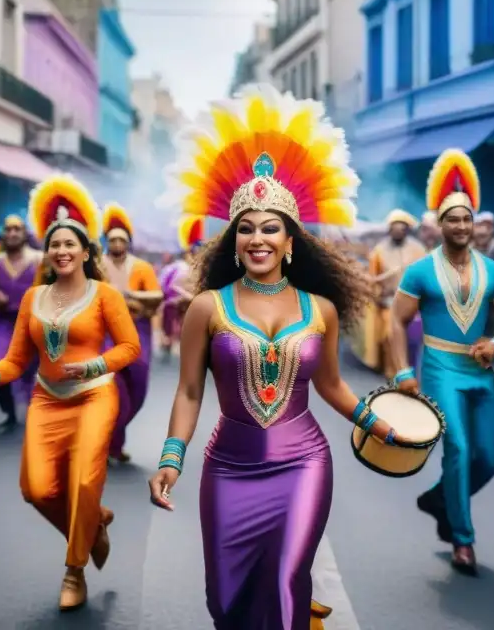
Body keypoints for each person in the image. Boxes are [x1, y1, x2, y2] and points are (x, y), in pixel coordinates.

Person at [148, 84, 398, 629]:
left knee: (287, 583)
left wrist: (375, 422)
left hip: (302, 463)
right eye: (246, 228)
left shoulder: (322, 310)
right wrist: (171, 458)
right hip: (228, 466)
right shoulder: (206, 308)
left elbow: (330, 384)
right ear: (232, 240)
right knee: (226, 599)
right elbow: (190, 390)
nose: (257, 237)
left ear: (290, 241)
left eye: (270, 228)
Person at [0, 174, 141, 611]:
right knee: (37, 490)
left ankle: (74, 569)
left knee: (83, 481)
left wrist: (97, 363)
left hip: (95, 396)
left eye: (70, 244)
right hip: (47, 399)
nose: (61, 251)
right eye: (55, 245)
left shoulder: (104, 295)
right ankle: (94, 522)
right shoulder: (33, 297)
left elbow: (130, 347)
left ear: (85, 252)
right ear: (48, 252)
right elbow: (16, 361)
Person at [388, 148, 494, 575]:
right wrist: (404, 372)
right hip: (440, 368)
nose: (461, 225)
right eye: (452, 218)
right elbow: (396, 321)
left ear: (475, 222)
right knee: (459, 449)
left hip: (480, 373)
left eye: (467, 218)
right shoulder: (420, 271)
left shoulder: (493, 271)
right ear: (439, 225)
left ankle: (440, 497)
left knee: (493, 457)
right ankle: (463, 540)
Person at [101, 202, 163, 463]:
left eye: (121, 240)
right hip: (105, 332)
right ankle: (110, 443)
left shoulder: (142, 267)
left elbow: (157, 295)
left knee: (138, 389)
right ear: (106, 240)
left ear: (129, 242)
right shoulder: (96, 265)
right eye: (112, 239)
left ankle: (115, 438)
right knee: (114, 391)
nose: (117, 244)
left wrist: (131, 295)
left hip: (138, 331)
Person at [0, 215, 43, 429]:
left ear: (25, 233)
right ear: (3, 234)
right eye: (8, 229)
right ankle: (9, 412)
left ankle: (34, 413)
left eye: (17, 229)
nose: (13, 233)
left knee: (33, 371)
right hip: (5, 323)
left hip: (35, 324)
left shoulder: (40, 260)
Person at [367, 209, 425, 376]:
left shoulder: (418, 250)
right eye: (395, 228)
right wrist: (377, 294)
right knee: (389, 336)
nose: (398, 231)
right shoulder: (379, 250)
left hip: (413, 302)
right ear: (390, 229)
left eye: (402, 228)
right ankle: (392, 372)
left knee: (411, 339)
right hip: (388, 302)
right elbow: (373, 277)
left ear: (407, 230)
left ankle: (407, 370)